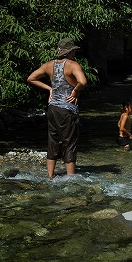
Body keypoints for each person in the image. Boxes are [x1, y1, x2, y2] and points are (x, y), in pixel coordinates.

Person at [27, 38, 87, 177]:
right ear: (70, 51)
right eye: (73, 51)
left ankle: (50, 176)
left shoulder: (49, 65)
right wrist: (76, 90)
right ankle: (71, 178)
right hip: (67, 110)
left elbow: (31, 78)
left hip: (52, 108)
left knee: (53, 140)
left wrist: (50, 88)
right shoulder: (73, 65)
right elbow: (83, 81)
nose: (74, 53)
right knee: (69, 143)